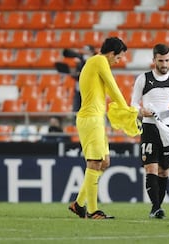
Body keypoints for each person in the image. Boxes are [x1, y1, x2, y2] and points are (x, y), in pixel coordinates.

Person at [68, 37, 130, 220]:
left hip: (96, 119)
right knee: (94, 163)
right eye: (118, 58)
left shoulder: (95, 62)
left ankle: (78, 204)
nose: (117, 62)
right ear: (111, 54)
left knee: (104, 163)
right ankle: (93, 210)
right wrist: (128, 111)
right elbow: (113, 88)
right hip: (90, 119)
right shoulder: (99, 61)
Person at [131, 44, 169, 219]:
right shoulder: (144, 78)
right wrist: (141, 111)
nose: (164, 64)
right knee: (151, 168)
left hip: (168, 128)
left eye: (167, 60)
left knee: (164, 171)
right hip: (149, 127)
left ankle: (157, 207)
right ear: (154, 60)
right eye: (161, 61)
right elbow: (133, 103)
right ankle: (156, 207)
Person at [61, 45, 97, 112]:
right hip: (79, 88)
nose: (85, 52)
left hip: (90, 89)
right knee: (77, 107)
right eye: (84, 50)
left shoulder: (95, 60)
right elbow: (78, 74)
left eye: (87, 50)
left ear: (92, 52)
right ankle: (75, 120)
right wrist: (74, 73)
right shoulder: (80, 60)